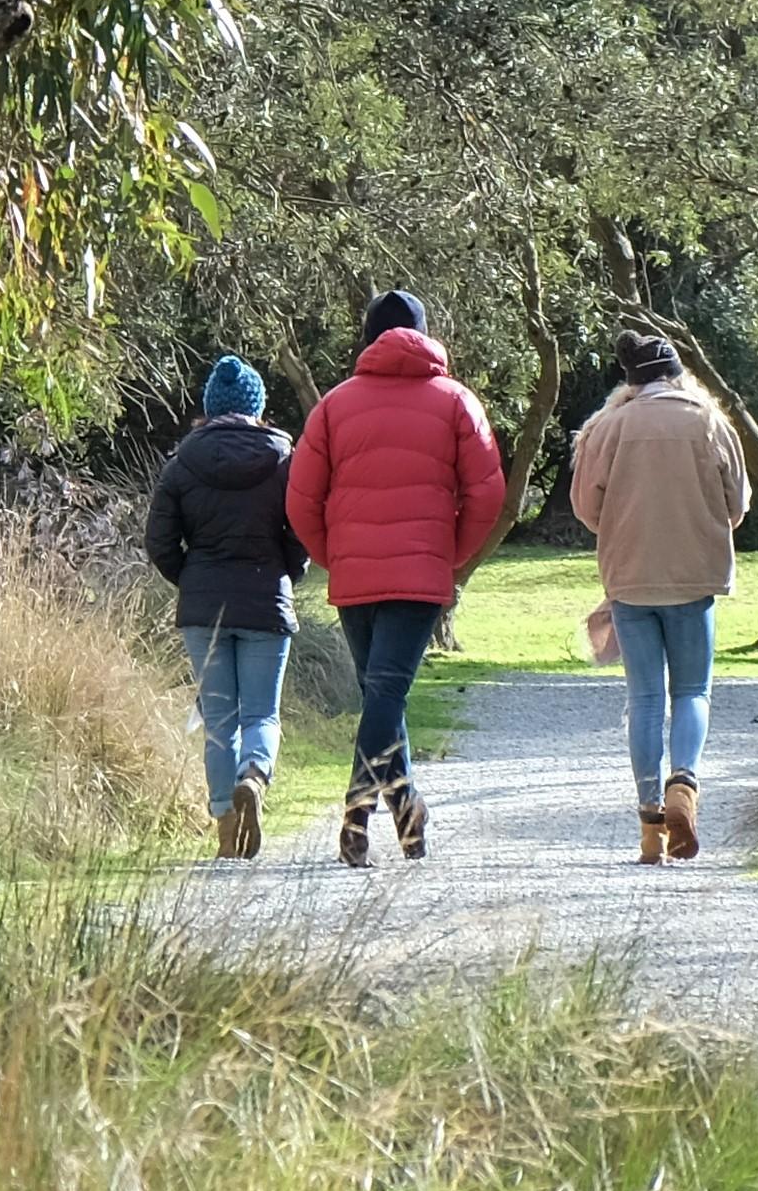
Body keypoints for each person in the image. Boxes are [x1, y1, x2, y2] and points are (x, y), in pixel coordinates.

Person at [282, 287, 510, 866]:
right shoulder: (457, 401)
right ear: (426, 333)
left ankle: (367, 813)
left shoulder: (334, 405)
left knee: (381, 693)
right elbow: (488, 491)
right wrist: (450, 554)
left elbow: (301, 499)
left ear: (367, 338)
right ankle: (399, 804)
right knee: (386, 694)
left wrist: (335, 554)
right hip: (419, 573)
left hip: (356, 572)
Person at [566, 325, 752, 861]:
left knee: (644, 698)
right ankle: (684, 786)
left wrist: (622, 525)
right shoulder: (709, 421)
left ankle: (651, 825)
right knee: (692, 691)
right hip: (694, 574)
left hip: (629, 576)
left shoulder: (608, 426)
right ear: (677, 375)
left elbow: (586, 506)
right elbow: (736, 504)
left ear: (633, 381)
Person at [142, 354, 305, 855]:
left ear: (209, 409)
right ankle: (254, 776)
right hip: (265, 602)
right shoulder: (285, 460)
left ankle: (225, 830)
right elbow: (301, 531)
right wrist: (288, 573)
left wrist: (190, 579)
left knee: (219, 720)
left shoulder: (182, 463)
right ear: (258, 409)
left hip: (204, 607)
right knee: (262, 715)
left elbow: (159, 541)